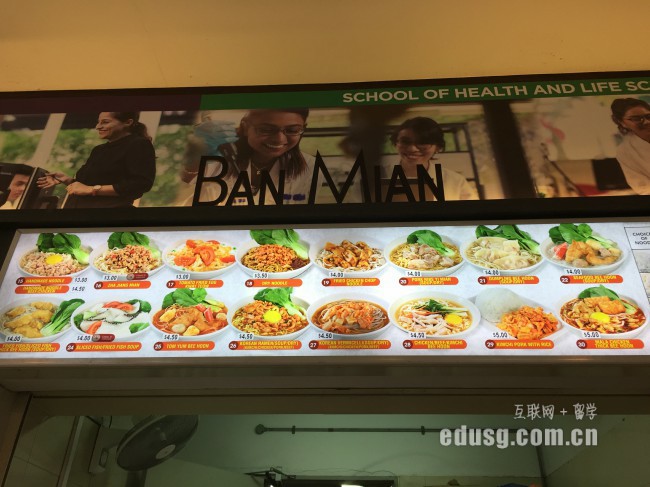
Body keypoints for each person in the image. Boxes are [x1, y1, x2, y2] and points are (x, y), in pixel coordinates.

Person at [184, 108, 316, 205]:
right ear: (245, 127)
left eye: (292, 130)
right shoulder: (219, 153)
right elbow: (183, 186)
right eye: (266, 129)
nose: (279, 139)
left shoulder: (311, 166)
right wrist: (196, 152)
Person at [37, 112, 156, 208]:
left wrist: (91, 190)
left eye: (105, 122)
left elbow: (140, 184)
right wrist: (67, 180)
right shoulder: (99, 149)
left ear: (128, 122)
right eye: (98, 122)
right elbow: (85, 187)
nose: (98, 126)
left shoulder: (139, 144)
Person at [385, 117, 478, 201]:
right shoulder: (380, 176)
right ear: (396, 143)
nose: (412, 149)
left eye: (422, 142)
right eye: (405, 141)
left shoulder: (455, 181)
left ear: (437, 147)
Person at [611, 98, 650, 195]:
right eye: (636, 119)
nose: (646, 122)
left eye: (648, 116)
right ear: (622, 123)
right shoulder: (625, 151)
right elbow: (643, 188)